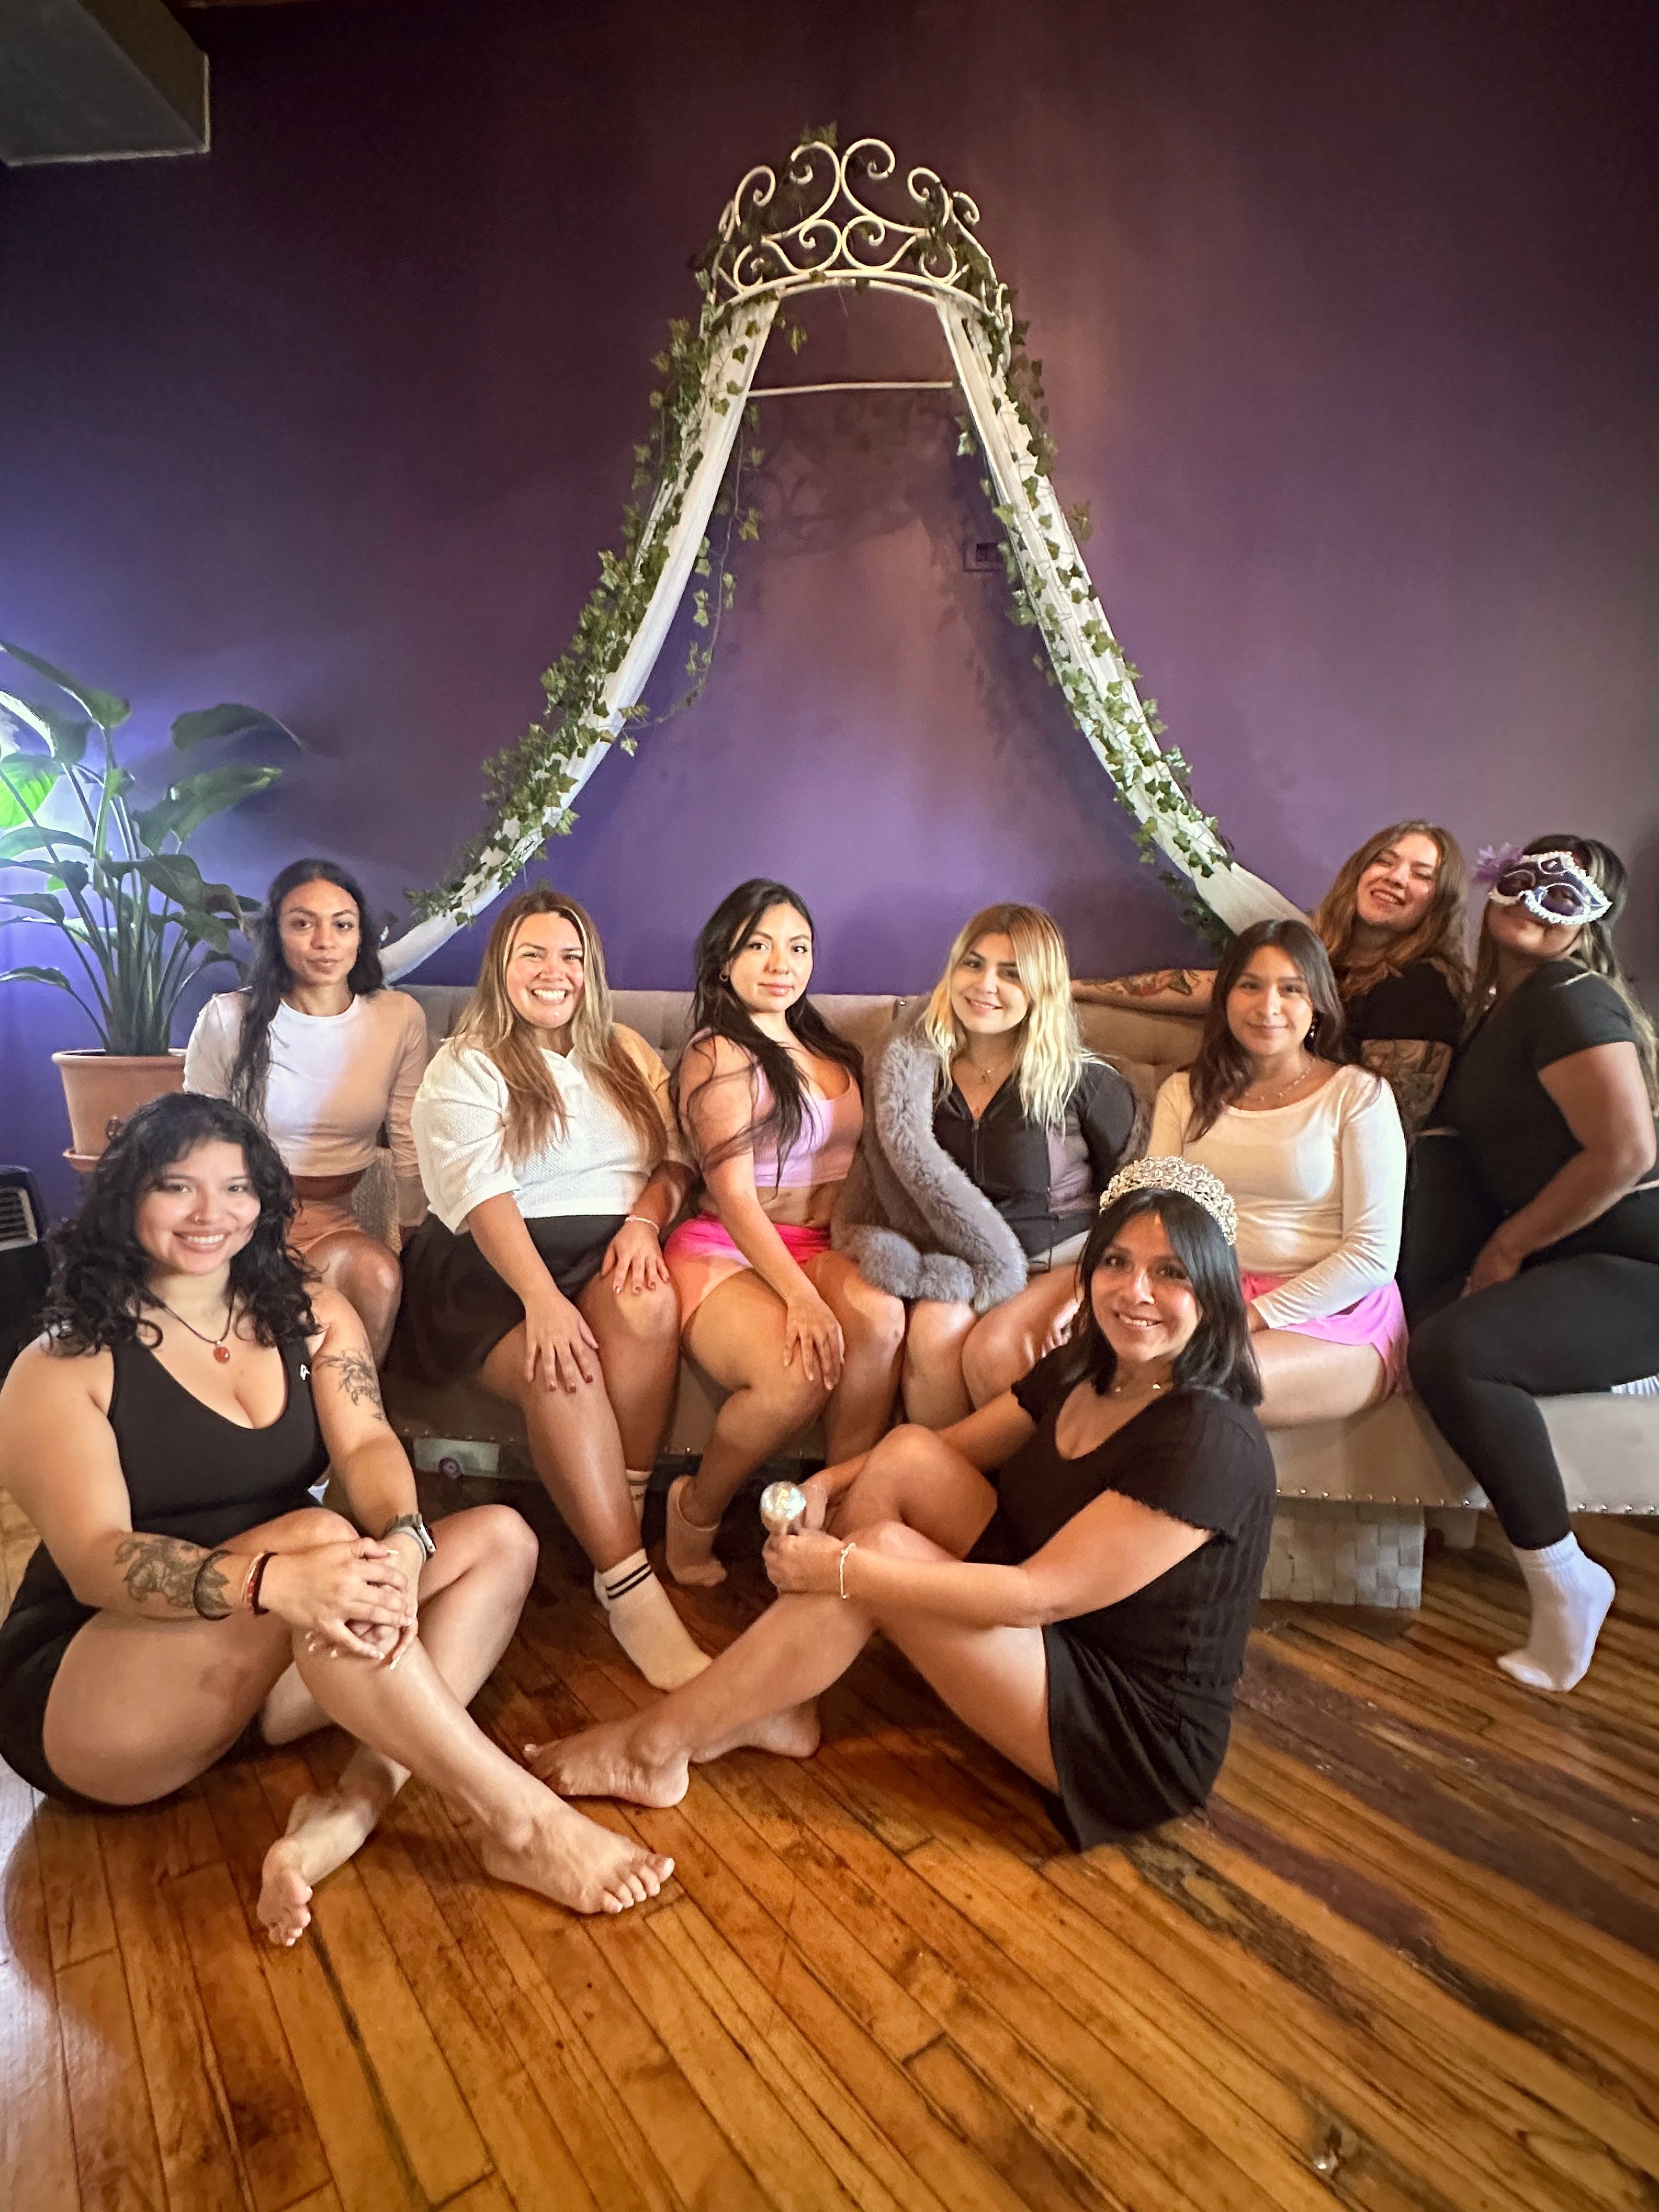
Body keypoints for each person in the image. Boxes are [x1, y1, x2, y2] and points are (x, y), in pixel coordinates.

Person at [0, 1094, 672, 1936]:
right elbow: (99, 1560)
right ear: (126, 1198)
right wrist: (280, 1581)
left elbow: (367, 1448)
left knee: (502, 1538)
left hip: (269, 1659)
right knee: (321, 1537)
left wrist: (402, 1537)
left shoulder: (308, 1313)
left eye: (237, 1188)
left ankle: (352, 1808)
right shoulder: (62, 1365)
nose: (212, 1214)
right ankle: (523, 1824)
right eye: (178, 1188)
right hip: (96, 1694)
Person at [528, 1159, 1276, 1851]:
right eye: (1116, 1262)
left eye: (1169, 1273)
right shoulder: (1094, 1365)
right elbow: (953, 1445)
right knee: (907, 1455)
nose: (1134, 1292)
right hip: (1053, 1626)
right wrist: (830, 1482)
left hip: (1124, 1727)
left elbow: (1036, 1596)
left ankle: (653, 1748)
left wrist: (843, 1567)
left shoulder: (1209, 1440)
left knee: (873, 1559)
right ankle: (780, 1702)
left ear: (1212, 1289)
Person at [390, 888, 706, 1691]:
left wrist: (643, 1223)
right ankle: (633, 1590)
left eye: (570, 956)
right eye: (533, 954)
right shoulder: (467, 1060)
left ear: (590, 971)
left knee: (649, 1302)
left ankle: (618, 1525)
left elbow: (675, 1163)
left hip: (609, 1245)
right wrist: (542, 1300)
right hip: (495, 1266)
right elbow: (482, 1196)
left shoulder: (628, 1051)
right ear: (503, 966)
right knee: (557, 1360)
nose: (553, 972)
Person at [1407, 836, 1659, 1694]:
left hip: (1640, 1262)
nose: (1533, 897)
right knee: (1423, 1330)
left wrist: (1506, 1249)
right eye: (1523, 874)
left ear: (1594, 919)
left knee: (1457, 1352)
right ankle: (1461, 1516)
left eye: (1566, 887)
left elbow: (1625, 1151)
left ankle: (1566, 1581)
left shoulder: (1565, 994)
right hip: (1580, 1254)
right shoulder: (1497, 1014)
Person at [662, 880, 905, 1587]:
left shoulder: (827, 1043)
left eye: (798, 946)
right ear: (724, 960)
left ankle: (833, 1529)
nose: (782, 962)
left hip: (825, 1243)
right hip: (728, 1246)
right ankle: (695, 1511)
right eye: (759, 945)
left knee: (881, 1320)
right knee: (795, 1373)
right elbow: (735, 1197)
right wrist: (801, 1298)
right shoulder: (718, 1053)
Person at [833, 902, 1143, 1426]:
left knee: (995, 1355)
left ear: (1040, 988)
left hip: (1057, 1261)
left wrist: (1096, 1285)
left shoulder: (1085, 1082)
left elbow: (1135, 1197)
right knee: (932, 1331)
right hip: (963, 1263)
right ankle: (943, 1489)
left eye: (1011, 973)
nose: (985, 985)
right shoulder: (915, 1073)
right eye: (973, 964)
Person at [1149, 919, 1408, 1425]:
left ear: (1317, 1005)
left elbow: (1373, 1256)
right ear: (1225, 997)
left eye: (1292, 990)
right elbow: (1155, 1219)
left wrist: (1245, 1318)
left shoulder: (1358, 1095)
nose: (1268, 1007)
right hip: (1206, 1293)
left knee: (1203, 1385)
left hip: (1335, 1312)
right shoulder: (1183, 1093)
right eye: (1251, 986)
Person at [184, 858, 429, 1360]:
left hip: (332, 1224)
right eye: (303, 923)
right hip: (239, 1221)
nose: (325, 941)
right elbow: (190, 1143)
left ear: (362, 936)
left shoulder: (397, 1017)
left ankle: (352, 1424)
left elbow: (409, 1140)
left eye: (342, 925)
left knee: (380, 1277)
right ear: (276, 933)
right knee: (261, 1329)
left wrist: (413, 1236)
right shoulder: (228, 1018)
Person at [1074, 821, 1468, 1131]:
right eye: (1385, 860)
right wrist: (1076, 988)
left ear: (1441, 901)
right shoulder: (1318, 954)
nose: (1396, 877)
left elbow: (1390, 1126)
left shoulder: (1422, 989)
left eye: (1422, 874)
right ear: (1359, 872)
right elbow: (1207, 987)